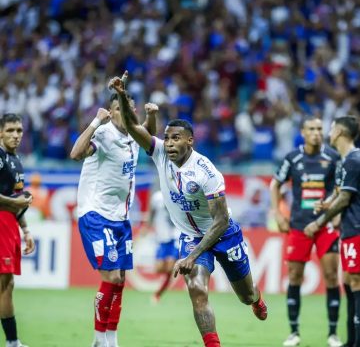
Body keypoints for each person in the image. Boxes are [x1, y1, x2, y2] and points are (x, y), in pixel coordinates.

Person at [108, 73, 267, 347]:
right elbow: (135, 129)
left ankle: (256, 299)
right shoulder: (159, 153)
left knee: (245, 294)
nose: (168, 143)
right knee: (196, 289)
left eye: (176, 139)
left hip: (224, 234)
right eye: (166, 138)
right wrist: (122, 96)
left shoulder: (207, 172)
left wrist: (192, 256)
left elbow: (218, 222)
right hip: (190, 236)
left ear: (190, 141)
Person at [70, 91, 157, 347]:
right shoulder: (104, 133)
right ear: (111, 112)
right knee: (109, 278)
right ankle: (98, 340)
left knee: (120, 280)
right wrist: (95, 121)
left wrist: (152, 116)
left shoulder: (132, 133)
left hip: (121, 218)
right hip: (96, 214)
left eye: (129, 110)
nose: (124, 115)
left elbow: (149, 139)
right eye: (118, 110)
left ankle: (111, 339)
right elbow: (76, 154)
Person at [270, 116, 342, 347]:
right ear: (303, 132)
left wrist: (337, 211)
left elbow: (341, 188)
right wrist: (279, 215)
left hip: (326, 224)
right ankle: (294, 333)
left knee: (331, 276)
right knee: (294, 277)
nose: (316, 133)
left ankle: (332, 333)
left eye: (320, 129)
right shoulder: (293, 158)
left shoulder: (333, 156)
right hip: (299, 225)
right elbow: (275, 185)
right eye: (311, 129)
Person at [304, 116, 360, 347]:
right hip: (349, 228)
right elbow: (340, 192)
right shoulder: (345, 162)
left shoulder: (354, 161)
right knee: (348, 280)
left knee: (356, 281)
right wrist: (327, 202)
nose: (328, 132)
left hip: (356, 228)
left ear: (338, 132)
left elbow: (346, 198)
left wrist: (318, 223)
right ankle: (351, 339)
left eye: (331, 127)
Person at [0, 113, 35, 347]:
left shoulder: (17, 161)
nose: (16, 135)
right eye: (11, 130)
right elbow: (14, 202)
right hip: (1, 221)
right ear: (0, 132)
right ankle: (13, 342)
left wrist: (26, 230)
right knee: (4, 284)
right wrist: (16, 203)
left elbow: (17, 198)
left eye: (19, 130)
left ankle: (13, 341)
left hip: (10, 223)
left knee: (7, 283)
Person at [148, 188, 179, 303]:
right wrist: (147, 227)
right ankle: (160, 291)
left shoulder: (178, 194)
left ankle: (158, 294)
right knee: (159, 268)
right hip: (162, 237)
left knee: (170, 267)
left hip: (176, 236)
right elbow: (151, 213)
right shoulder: (156, 197)